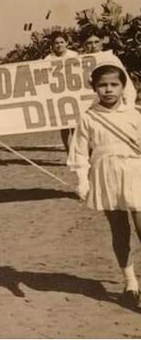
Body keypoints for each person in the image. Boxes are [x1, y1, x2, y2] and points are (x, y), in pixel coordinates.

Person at [67, 58, 141, 308]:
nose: (108, 90)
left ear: (123, 87)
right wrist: (81, 181)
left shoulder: (135, 114)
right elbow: (79, 152)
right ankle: (130, 282)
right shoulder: (88, 118)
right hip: (106, 176)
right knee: (120, 231)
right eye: (102, 85)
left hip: (136, 172)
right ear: (94, 88)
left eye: (113, 84)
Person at [45, 32, 79, 152]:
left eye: (61, 42)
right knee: (64, 126)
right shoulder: (48, 59)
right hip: (59, 95)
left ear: (66, 43)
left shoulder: (74, 55)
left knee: (76, 125)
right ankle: (68, 150)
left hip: (73, 93)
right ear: (53, 45)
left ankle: (77, 150)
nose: (59, 45)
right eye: (56, 43)